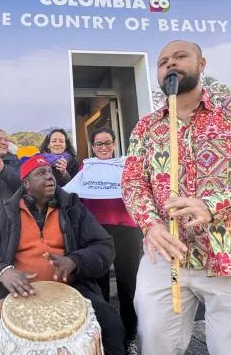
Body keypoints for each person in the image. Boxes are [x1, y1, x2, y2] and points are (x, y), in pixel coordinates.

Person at [121, 40, 231, 355]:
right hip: (166, 257)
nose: (170, 63)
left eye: (180, 56)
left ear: (202, 63)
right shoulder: (146, 128)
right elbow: (132, 181)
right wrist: (151, 225)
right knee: (154, 343)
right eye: (163, 61)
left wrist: (212, 206)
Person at [0, 154, 126, 355]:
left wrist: (76, 261)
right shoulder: (3, 213)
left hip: (71, 285)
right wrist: (2, 271)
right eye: (41, 173)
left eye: (50, 172)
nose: (50, 177)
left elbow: (104, 245)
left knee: (111, 322)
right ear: (26, 184)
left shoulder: (73, 207)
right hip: (14, 289)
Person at [65, 127, 142, 352]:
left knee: (128, 285)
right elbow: (72, 192)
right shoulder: (85, 167)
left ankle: (129, 335)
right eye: (99, 144)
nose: (104, 148)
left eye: (107, 143)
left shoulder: (127, 166)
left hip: (126, 229)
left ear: (114, 144)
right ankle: (104, 335)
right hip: (95, 234)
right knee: (99, 287)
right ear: (92, 147)